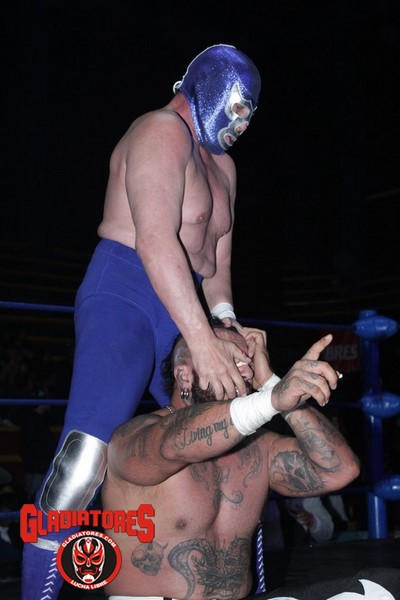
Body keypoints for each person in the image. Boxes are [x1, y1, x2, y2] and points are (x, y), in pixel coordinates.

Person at [22, 44, 262, 599]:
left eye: (252, 113)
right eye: (239, 108)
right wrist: (201, 341)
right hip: (126, 293)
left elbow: (216, 265)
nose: (244, 124)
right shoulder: (158, 132)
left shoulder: (224, 167)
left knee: (222, 437)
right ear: (210, 88)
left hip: (187, 303)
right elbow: (156, 241)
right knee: (84, 459)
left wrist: (225, 326)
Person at [101, 321, 360, 600]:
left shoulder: (258, 447)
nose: (245, 371)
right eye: (229, 358)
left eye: (247, 362)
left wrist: (272, 385)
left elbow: (340, 470)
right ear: (184, 375)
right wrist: (271, 400)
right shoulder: (134, 437)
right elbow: (173, 443)